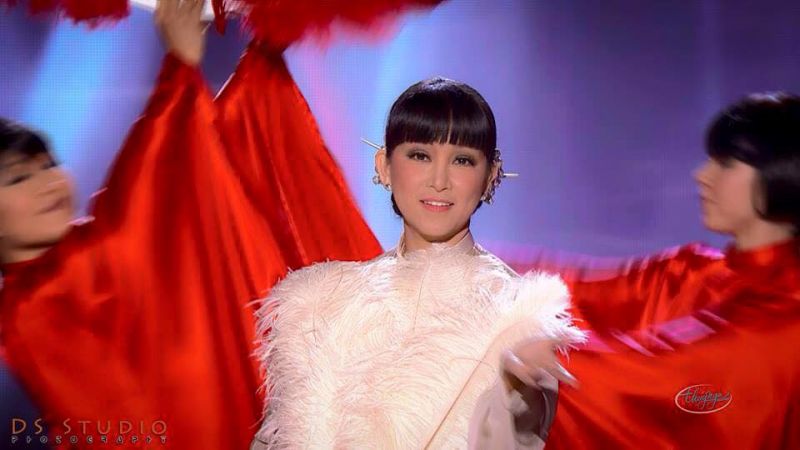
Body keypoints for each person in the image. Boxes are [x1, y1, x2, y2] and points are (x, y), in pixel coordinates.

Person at [1, 0, 383, 448]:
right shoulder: (29, 308)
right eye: (19, 178)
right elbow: (136, 218)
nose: (48, 182)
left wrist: (257, 72)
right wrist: (178, 72)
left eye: (49, 164)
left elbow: (193, 181)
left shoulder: (81, 248)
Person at [251, 77, 584, 449]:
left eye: (462, 160)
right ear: (384, 165)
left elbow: (512, 438)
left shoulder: (514, 317)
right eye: (420, 155)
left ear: (490, 176)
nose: (439, 181)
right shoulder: (323, 305)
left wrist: (517, 395)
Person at [513, 93, 800, 449]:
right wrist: (474, 264)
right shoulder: (693, 271)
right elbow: (582, 289)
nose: (702, 175)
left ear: (781, 171)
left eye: (726, 163)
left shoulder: (787, 313)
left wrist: (563, 362)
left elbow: (675, 375)